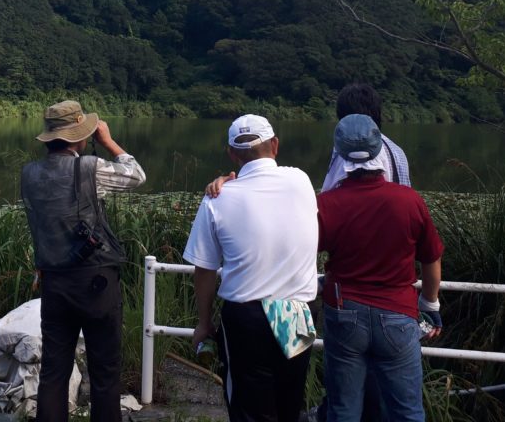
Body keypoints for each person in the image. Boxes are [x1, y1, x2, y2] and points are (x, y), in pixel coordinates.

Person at [184, 114, 319, 422]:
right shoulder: (300, 180)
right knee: (289, 402)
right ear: (275, 145)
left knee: (249, 409)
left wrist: (204, 323)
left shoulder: (217, 199)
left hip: (247, 318)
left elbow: (204, 267)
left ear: (231, 153)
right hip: (295, 311)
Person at [20, 100, 145, 422]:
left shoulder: (30, 174)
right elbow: (136, 176)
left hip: (53, 281)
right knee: (104, 369)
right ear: (80, 136)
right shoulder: (89, 167)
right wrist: (108, 142)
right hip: (96, 281)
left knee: (53, 370)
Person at [318, 114, 443, 422]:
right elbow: (431, 258)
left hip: (344, 312)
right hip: (399, 315)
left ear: (340, 153)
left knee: (344, 410)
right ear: (378, 151)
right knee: (407, 411)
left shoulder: (326, 204)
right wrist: (430, 303)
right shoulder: (410, 201)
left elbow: (305, 254)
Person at [321, 82, 410, 192]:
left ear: (343, 118)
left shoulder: (346, 151)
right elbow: (406, 190)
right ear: (378, 113)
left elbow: (330, 191)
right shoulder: (397, 151)